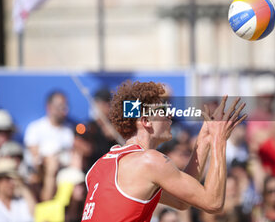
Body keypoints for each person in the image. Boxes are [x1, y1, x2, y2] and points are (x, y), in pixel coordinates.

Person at [81, 81, 246, 221]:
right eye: (163, 110)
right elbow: (213, 203)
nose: (170, 115)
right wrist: (219, 140)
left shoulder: (100, 165)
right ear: (146, 121)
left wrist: (204, 140)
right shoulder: (149, 161)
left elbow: (182, 201)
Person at [24, 91, 74, 201]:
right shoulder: (35, 128)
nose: (64, 110)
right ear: (49, 107)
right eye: (60, 106)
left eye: (65, 106)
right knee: (52, 165)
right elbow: (34, 156)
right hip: (40, 171)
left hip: (63, 172)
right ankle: (46, 206)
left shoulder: (68, 131)